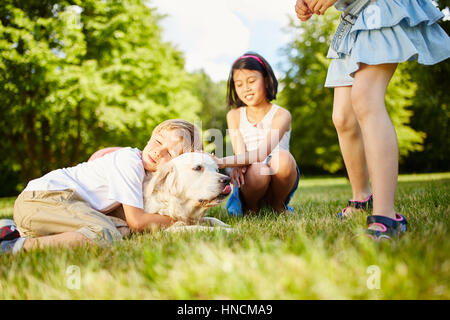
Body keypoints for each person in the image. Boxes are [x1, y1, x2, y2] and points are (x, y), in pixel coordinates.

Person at [295, 0, 450, 240]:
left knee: (366, 98)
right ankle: (361, 200)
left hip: (380, 7)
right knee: (343, 118)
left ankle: (386, 216)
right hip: (354, 19)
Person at [0, 119, 202, 255]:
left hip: (45, 207)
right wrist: (179, 220)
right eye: (158, 141)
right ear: (152, 135)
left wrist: (208, 163)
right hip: (45, 198)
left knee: (119, 229)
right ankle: (14, 247)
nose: (159, 152)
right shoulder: (130, 162)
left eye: (170, 153)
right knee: (104, 235)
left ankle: (10, 229)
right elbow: (137, 221)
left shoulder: (146, 171)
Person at [215, 52, 300, 216]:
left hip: (278, 180)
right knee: (258, 169)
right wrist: (238, 163)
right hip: (252, 180)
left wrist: (221, 162)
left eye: (252, 81)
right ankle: (251, 208)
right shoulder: (234, 115)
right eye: (239, 84)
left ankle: (277, 206)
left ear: (266, 80)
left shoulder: (281, 115)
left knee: (283, 158)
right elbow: (241, 155)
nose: (245, 88)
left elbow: (262, 153)